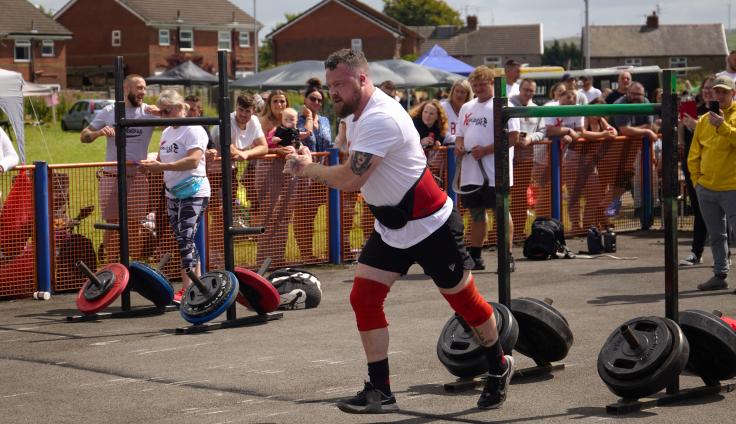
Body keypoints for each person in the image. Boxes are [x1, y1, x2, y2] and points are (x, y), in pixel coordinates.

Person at [284, 49, 514, 413]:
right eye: (329, 87)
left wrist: (306, 167)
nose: (334, 93)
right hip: (392, 228)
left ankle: (499, 366)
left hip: (432, 226)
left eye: (340, 84)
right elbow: (353, 163)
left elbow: (350, 177)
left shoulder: (380, 116)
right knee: (363, 298)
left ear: (362, 79)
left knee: (463, 303)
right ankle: (381, 389)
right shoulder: (357, 116)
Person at [139, 90, 210, 302]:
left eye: (166, 111)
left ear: (180, 108)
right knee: (183, 239)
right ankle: (197, 284)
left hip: (194, 191)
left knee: (186, 239)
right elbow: (162, 159)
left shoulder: (194, 129)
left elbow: (193, 160)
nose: (163, 116)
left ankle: (189, 288)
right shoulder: (167, 132)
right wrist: (151, 166)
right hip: (173, 193)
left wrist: (162, 166)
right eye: (161, 112)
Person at [80, 74, 159, 262]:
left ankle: (134, 267)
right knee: (113, 223)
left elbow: (177, 117)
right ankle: (111, 264)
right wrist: (99, 132)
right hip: (112, 176)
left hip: (138, 178)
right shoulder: (109, 111)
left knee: (135, 225)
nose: (143, 92)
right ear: (126, 89)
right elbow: (84, 136)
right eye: (139, 88)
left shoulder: (149, 111)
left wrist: (165, 112)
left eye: (144, 88)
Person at [455, 65, 522, 272]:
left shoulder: (504, 105)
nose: (478, 89)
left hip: (495, 173)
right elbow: (460, 135)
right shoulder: (467, 107)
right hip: (471, 172)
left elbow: (513, 137)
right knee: (476, 214)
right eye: (475, 85)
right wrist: (459, 146)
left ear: (492, 83)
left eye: (482, 85)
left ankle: (507, 257)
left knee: (501, 213)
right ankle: (475, 256)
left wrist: (485, 150)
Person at [687, 75, 736, 292]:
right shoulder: (705, 120)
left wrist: (723, 126)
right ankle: (720, 274)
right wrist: (697, 181)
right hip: (707, 187)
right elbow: (694, 152)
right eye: (718, 92)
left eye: (725, 92)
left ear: (733, 93)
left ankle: (720, 273)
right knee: (716, 235)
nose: (720, 96)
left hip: (732, 187)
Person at [295, 78, 333, 262]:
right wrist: (308, 117)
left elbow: (329, 143)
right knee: (304, 215)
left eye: (319, 100)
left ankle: (325, 252)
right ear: (305, 100)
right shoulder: (297, 119)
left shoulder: (325, 120)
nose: (316, 103)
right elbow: (301, 140)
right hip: (304, 173)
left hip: (323, 171)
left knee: (319, 213)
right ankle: (305, 254)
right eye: (312, 99)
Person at [679, 76, 715, 266]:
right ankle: (696, 251)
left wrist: (696, 125)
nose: (707, 91)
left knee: (720, 211)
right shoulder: (694, 108)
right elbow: (682, 128)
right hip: (694, 164)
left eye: (711, 88)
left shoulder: (720, 112)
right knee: (699, 209)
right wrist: (682, 140)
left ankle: (723, 256)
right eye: (705, 88)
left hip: (714, 166)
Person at [509, 79, 547, 230]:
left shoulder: (536, 109)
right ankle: (497, 233)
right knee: (501, 195)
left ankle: (518, 230)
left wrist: (530, 138)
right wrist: (513, 139)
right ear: (520, 89)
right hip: (507, 157)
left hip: (525, 158)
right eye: (526, 90)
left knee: (519, 195)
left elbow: (542, 131)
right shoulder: (509, 105)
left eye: (531, 90)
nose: (528, 93)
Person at [440, 79, 473, 145]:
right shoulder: (443, 107)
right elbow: (441, 133)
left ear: (468, 94)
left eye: (462, 92)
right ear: (452, 92)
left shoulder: (471, 110)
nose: (459, 95)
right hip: (446, 148)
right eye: (457, 91)